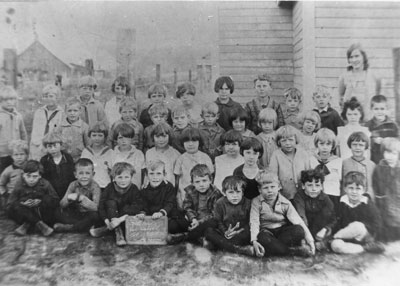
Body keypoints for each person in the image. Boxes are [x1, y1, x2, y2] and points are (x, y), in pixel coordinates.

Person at [250, 171, 315, 257]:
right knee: (262, 238)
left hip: (282, 233)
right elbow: (254, 222)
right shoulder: (256, 202)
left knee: (298, 230)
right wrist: (254, 241)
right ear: (259, 189)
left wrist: (310, 240)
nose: (270, 191)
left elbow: (298, 221)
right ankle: (293, 251)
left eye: (273, 187)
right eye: (266, 188)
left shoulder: (285, 202)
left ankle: (276, 249)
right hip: (267, 232)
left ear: (279, 187)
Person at [329, 172, 384, 254]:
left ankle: (331, 239)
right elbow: (336, 221)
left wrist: (367, 231)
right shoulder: (341, 203)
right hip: (346, 237)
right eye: (351, 188)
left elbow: (377, 224)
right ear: (345, 189)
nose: (354, 192)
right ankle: (364, 248)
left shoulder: (367, 203)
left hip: (363, 236)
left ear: (364, 190)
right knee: (336, 246)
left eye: (358, 189)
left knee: (357, 225)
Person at [204, 176, 254, 256]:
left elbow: (250, 222)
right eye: (231, 192)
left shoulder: (248, 203)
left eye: (238, 192)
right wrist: (225, 232)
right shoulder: (220, 203)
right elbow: (218, 221)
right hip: (225, 233)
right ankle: (238, 249)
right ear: (224, 192)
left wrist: (238, 232)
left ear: (243, 192)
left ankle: (220, 245)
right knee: (209, 231)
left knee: (248, 233)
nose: (235, 196)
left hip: (240, 234)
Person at [7, 160, 59, 236]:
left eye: (35, 176)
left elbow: (56, 199)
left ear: (40, 176)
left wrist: (41, 201)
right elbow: (10, 203)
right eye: (28, 176)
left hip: (40, 212)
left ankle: (27, 224)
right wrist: (22, 203)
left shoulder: (45, 183)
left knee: (48, 199)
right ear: (23, 175)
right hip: (24, 213)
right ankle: (40, 224)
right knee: (12, 207)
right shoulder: (19, 184)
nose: (31, 179)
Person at [139, 160, 189, 239]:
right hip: (153, 216)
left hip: (167, 214)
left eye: (158, 174)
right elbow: (143, 204)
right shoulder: (144, 189)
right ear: (146, 175)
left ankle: (178, 235)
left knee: (178, 224)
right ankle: (166, 234)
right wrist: (143, 213)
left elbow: (170, 203)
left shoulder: (168, 186)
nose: (155, 177)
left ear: (164, 175)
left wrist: (161, 213)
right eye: (151, 174)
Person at [97, 162, 143, 246]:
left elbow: (137, 207)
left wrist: (120, 219)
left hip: (125, 218)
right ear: (114, 177)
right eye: (120, 177)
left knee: (129, 208)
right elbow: (101, 205)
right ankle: (118, 234)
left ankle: (107, 230)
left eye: (126, 177)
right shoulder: (110, 187)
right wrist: (106, 220)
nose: (123, 180)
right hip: (112, 217)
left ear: (131, 177)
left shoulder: (134, 188)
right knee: (110, 202)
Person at [54, 158, 101, 233]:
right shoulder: (73, 184)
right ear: (75, 175)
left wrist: (81, 198)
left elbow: (95, 207)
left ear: (93, 174)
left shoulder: (95, 187)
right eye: (81, 173)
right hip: (76, 214)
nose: (84, 176)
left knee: (95, 216)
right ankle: (81, 227)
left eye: (87, 173)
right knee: (57, 212)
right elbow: (62, 204)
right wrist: (69, 198)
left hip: (87, 214)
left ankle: (70, 228)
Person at [292, 169, 335, 250]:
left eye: (317, 185)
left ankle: (321, 243)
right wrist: (306, 236)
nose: (314, 189)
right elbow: (301, 215)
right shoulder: (299, 196)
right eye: (310, 185)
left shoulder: (325, 198)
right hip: (305, 227)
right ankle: (307, 243)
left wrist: (325, 229)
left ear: (322, 186)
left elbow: (333, 219)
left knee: (326, 213)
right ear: (303, 186)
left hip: (320, 229)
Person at [338, 43, 381, 120]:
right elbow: (340, 97)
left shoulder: (374, 76)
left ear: (363, 57)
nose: (354, 60)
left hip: (369, 119)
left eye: (357, 56)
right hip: (351, 119)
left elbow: (378, 96)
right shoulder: (344, 76)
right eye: (351, 57)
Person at [174, 128, 214, 209]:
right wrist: (178, 195)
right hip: (185, 194)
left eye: (194, 141)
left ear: (199, 142)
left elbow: (211, 176)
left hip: (203, 194)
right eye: (187, 141)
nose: (190, 144)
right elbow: (177, 179)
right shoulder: (181, 158)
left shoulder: (205, 157)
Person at [183, 164, 222, 244]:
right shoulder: (190, 191)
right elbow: (187, 207)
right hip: (194, 219)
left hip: (208, 220)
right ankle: (198, 237)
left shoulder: (215, 193)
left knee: (211, 226)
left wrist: (199, 222)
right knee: (180, 221)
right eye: (197, 182)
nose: (201, 184)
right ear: (192, 183)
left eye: (204, 180)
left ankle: (188, 237)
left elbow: (215, 214)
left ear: (210, 180)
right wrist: (193, 219)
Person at [269, 125, 311, 200]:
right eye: (284, 140)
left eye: (291, 140)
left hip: (302, 195)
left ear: (296, 140)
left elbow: (309, 173)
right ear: (279, 142)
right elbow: (273, 176)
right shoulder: (276, 155)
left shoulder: (303, 154)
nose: (288, 143)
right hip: (284, 195)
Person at [373, 137, 400, 242]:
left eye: (394, 153)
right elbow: (376, 187)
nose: (390, 157)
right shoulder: (379, 168)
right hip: (384, 206)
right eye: (387, 153)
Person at [310, 128, 342, 212]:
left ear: (333, 145)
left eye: (328, 144)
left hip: (333, 196)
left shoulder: (337, 161)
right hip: (315, 195)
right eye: (321, 144)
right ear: (317, 144)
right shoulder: (311, 160)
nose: (325, 147)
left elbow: (340, 180)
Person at [30, 84, 63, 160]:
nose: (48, 99)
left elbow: (59, 133)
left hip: (53, 147)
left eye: (51, 96)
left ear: (57, 98)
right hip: (38, 147)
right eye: (46, 96)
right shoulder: (39, 112)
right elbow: (34, 132)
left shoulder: (61, 113)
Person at [0, 86, 27, 174]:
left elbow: (23, 134)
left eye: (11, 99)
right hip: (2, 154)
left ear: (15, 100)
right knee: (3, 176)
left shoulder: (18, 116)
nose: (9, 102)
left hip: (16, 154)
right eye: (5, 100)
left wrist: (25, 148)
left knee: (16, 176)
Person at [40, 132, 75, 199]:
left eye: (55, 146)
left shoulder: (68, 158)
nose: (53, 149)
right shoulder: (44, 160)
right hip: (51, 192)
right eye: (49, 146)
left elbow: (72, 176)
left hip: (67, 191)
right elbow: (43, 179)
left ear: (61, 145)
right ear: (46, 147)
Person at [365, 95, 399, 164]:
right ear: (372, 109)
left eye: (382, 109)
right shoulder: (368, 126)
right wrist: (373, 140)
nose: (379, 112)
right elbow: (364, 143)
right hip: (374, 160)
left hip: (390, 160)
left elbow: (398, 142)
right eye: (376, 109)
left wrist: (388, 141)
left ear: (387, 109)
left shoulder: (393, 125)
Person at [342, 132, 375, 201]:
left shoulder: (372, 165)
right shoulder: (344, 163)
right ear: (350, 146)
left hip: (367, 201)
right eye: (354, 145)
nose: (357, 148)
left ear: (365, 147)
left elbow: (372, 186)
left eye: (361, 145)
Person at [80, 122, 114, 190]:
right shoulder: (86, 152)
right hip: (89, 187)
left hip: (105, 186)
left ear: (105, 137)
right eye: (94, 135)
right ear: (89, 136)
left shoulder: (110, 152)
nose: (97, 138)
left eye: (100, 135)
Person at [111, 123, 144, 188]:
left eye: (127, 138)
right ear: (116, 139)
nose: (123, 141)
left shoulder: (138, 154)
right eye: (120, 138)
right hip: (118, 190)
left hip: (134, 190)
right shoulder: (112, 154)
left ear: (132, 139)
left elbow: (143, 173)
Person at [56, 97, 89, 162]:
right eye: (69, 111)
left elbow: (88, 144)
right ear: (65, 111)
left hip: (79, 158)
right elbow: (57, 141)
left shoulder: (84, 126)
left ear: (80, 111)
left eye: (75, 111)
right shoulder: (60, 126)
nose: (72, 113)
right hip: (64, 159)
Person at [0, 140, 28, 213]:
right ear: (12, 156)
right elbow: (1, 184)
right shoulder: (8, 170)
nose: (19, 157)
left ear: (26, 155)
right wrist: (4, 194)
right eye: (16, 154)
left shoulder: (30, 167)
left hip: (27, 193)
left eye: (22, 154)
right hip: (13, 195)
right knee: (14, 208)